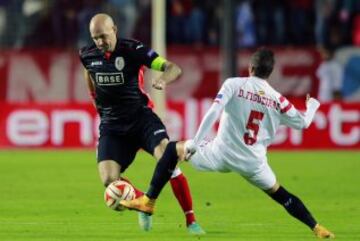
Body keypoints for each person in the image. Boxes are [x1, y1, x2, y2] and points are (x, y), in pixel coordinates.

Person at [121, 48, 335, 239]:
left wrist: (195, 143)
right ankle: (317, 228)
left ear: (250, 67)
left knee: (171, 149)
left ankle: (148, 201)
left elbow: (214, 112)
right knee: (280, 194)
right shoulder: (279, 100)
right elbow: (304, 123)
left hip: (220, 153)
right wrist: (312, 105)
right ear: (269, 73)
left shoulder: (234, 84)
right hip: (253, 163)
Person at [78, 13, 205, 234]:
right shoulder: (87, 54)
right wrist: (93, 97)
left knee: (168, 159)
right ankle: (142, 205)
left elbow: (173, 68)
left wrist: (162, 80)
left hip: (141, 119)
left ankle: (191, 221)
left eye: (103, 36)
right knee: (109, 180)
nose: (99, 42)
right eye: (95, 38)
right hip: (112, 125)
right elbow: (89, 73)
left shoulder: (134, 50)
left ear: (114, 29)